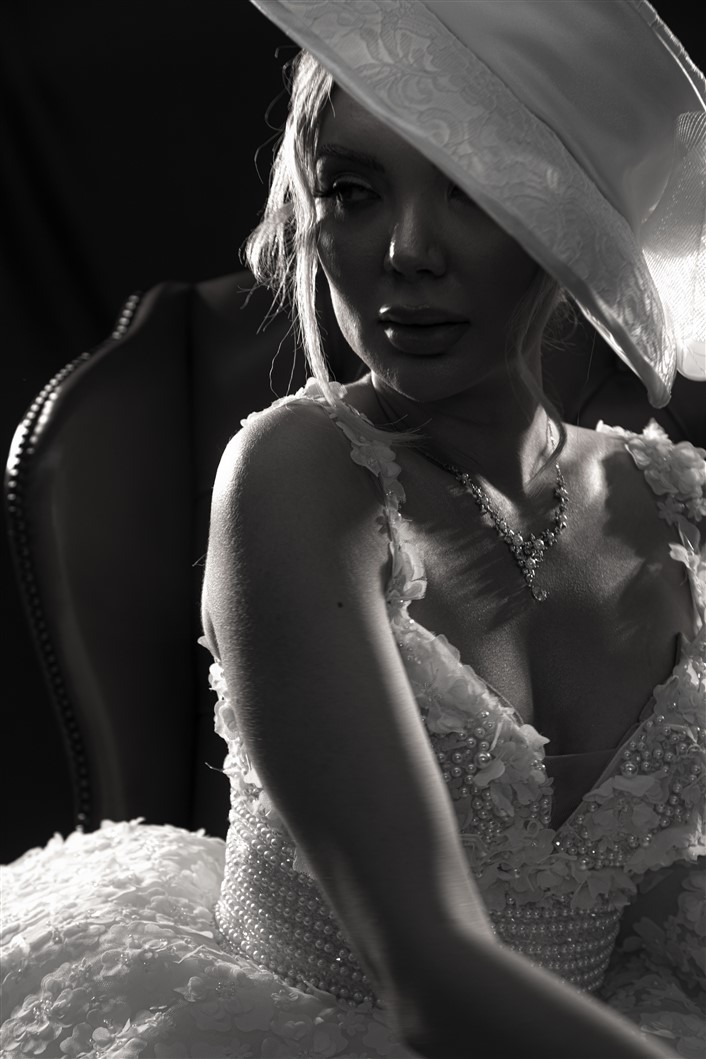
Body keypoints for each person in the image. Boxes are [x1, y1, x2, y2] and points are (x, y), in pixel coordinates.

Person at [2, 2, 705, 1057]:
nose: (406, 251)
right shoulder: (297, 474)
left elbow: (667, 903)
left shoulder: (676, 509)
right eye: (352, 190)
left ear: (573, 227)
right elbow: (427, 975)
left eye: (473, 190)